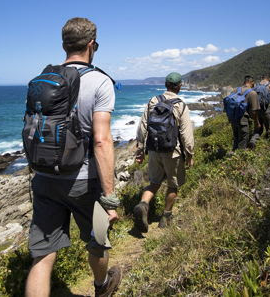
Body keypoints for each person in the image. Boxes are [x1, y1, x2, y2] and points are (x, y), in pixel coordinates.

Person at [25, 18, 121, 297]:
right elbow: (102, 141)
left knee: (42, 254)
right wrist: (110, 197)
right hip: (83, 181)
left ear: (64, 44)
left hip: (44, 177)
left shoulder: (42, 80)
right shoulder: (99, 81)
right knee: (97, 240)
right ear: (92, 45)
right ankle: (102, 287)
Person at [132, 72, 194, 232]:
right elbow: (187, 135)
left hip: (153, 149)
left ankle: (143, 205)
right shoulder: (181, 105)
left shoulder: (153, 101)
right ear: (179, 86)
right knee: (173, 185)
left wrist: (140, 149)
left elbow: (142, 126)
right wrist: (189, 155)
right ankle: (165, 218)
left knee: (154, 182)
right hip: (172, 151)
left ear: (166, 85)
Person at [232, 75, 260, 150]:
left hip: (233, 120)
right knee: (243, 141)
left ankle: (233, 155)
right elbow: (254, 111)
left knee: (236, 139)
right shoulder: (252, 93)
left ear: (244, 82)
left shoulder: (235, 90)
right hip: (243, 121)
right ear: (252, 82)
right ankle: (238, 159)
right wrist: (257, 122)